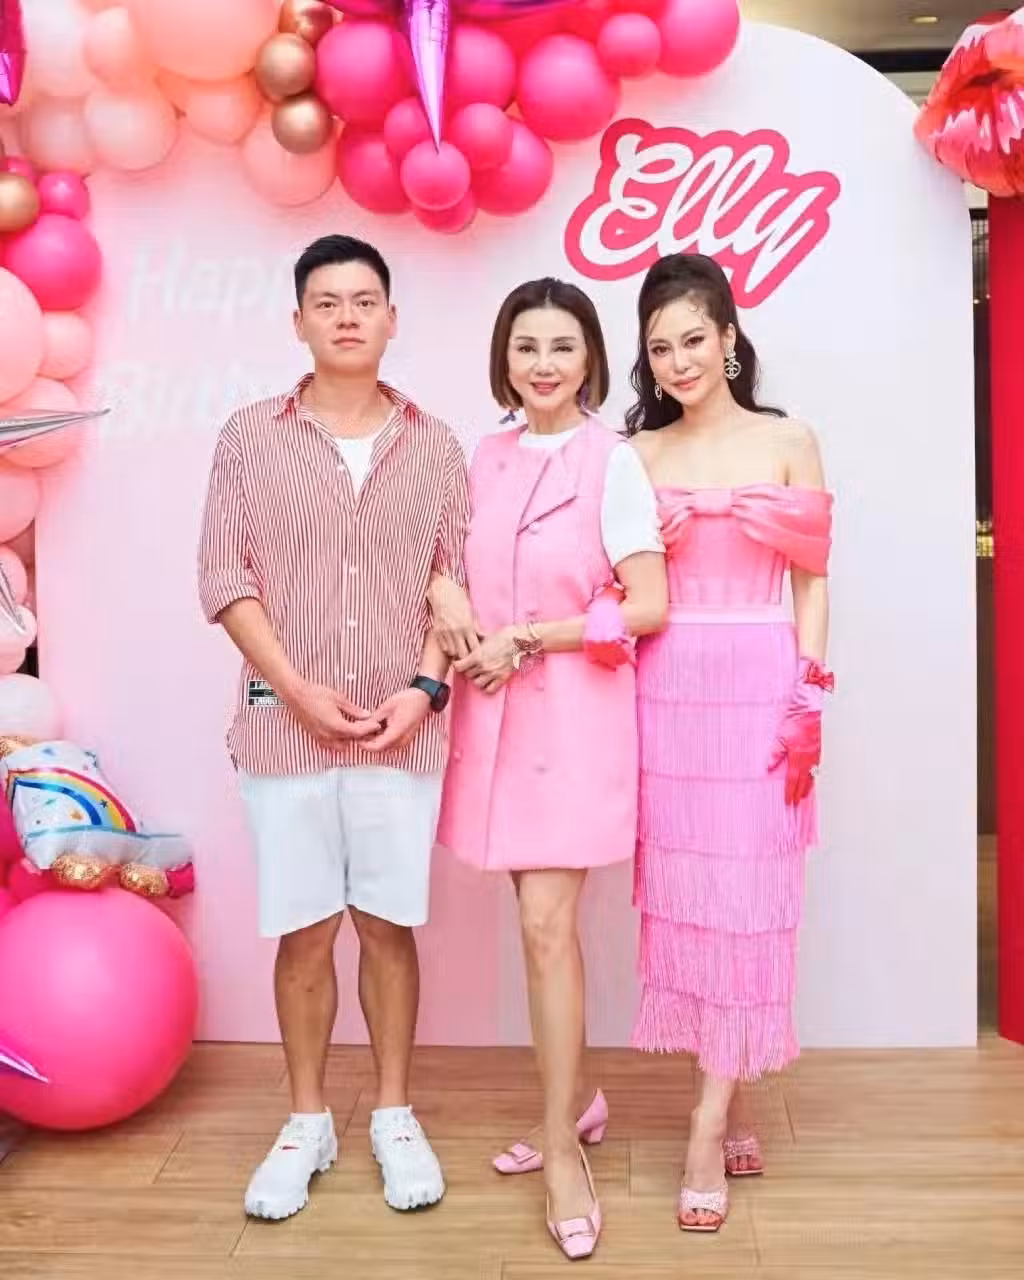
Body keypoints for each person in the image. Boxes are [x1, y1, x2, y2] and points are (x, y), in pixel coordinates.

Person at [197, 234, 469, 1221]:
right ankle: (306, 1118)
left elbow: (454, 582)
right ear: (299, 321)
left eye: (364, 300)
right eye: (327, 302)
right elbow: (223, 578)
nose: (347, 316)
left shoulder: (436, 445)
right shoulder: (248, 437)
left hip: (401, 731)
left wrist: (425, 690)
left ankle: (394, 1112)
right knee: (305, 928)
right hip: (284, 731)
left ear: (391, 319)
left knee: (388, 925)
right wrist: (297, 689)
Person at [430, 278, 668, 1260]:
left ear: (590, 360)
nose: (542, 364)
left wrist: (530, 636)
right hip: (490, 718)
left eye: (562, 346)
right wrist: (447, 596)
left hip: (573, 719)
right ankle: (578, 1101)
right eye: (525, 346)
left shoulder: (614, 461)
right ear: (504, 358)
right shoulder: (479, 457)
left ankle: (563, 1148)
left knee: (544, 925)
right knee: (538, 930)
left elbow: (646, 603)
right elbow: (445, 562)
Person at [626, 253, 833, 1232]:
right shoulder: (637, 453)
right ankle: (729, 1093)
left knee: (747, 896)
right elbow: (616, 584)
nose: (679, 361)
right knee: (694, 900)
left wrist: (809, 690)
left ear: (729, 338)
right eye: (660, 346)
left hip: (758, 681)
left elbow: (813, 579)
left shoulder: (789, 440)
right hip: (665, 687)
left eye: (693, 340)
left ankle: (706, 1124)